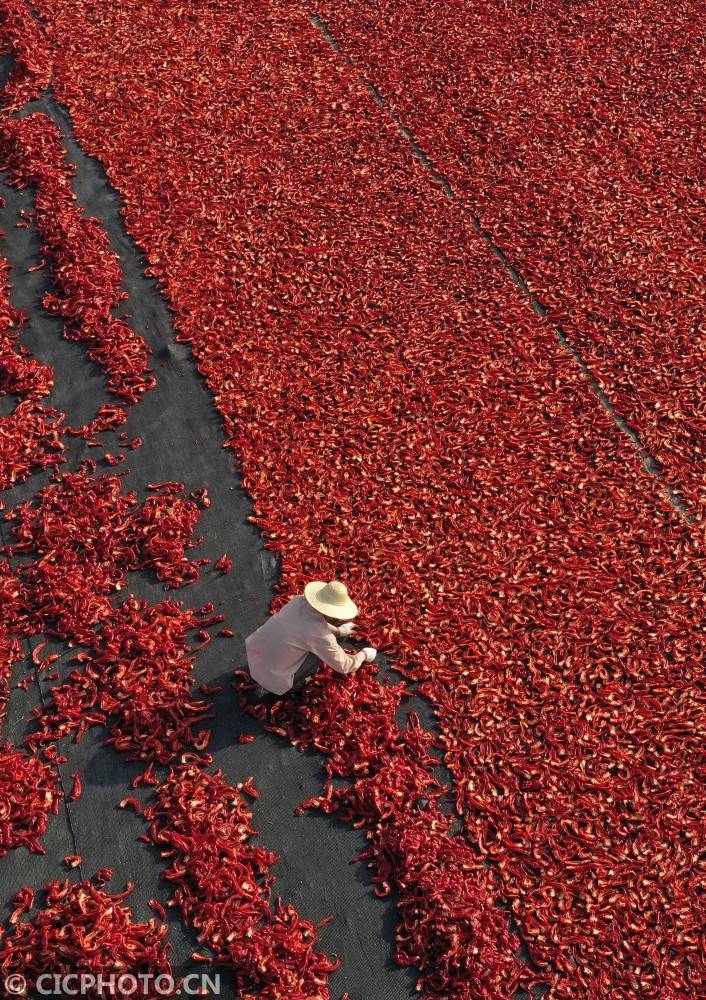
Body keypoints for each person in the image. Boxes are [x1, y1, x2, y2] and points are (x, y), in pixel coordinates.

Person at [245, 580, 377, 700]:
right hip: (274, 680)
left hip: (254, 656)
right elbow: (344, 666)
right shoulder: (320, 636)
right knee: (319, 656)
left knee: (299, 641)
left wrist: (339, 632)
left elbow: (311, 620)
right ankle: (298, 684)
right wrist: (363, 654)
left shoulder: (298, 601)